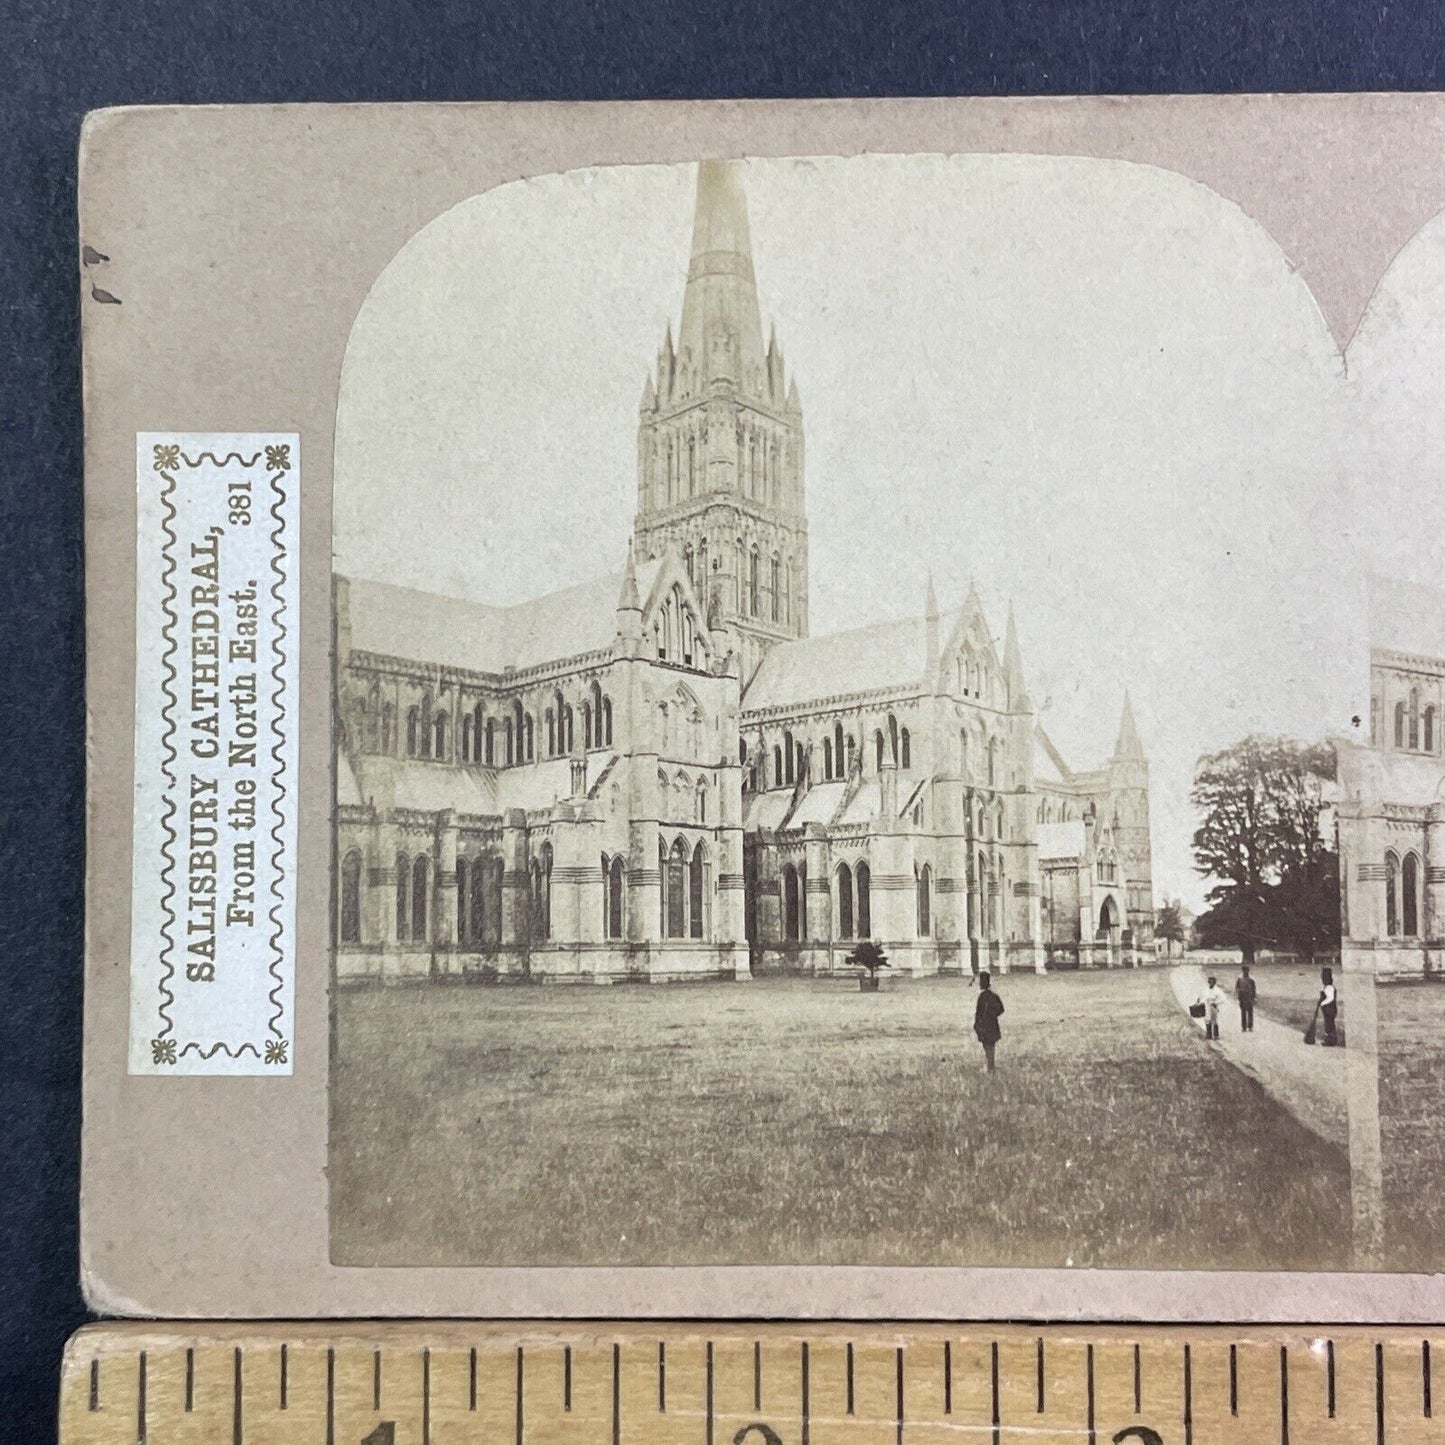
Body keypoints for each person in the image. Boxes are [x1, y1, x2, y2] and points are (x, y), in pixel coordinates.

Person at [973, 971, 1004, 1071]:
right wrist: (993, 1016)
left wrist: (977, 1023)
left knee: (987, 1046)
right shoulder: (994, 996)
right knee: (991, 1045)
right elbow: (1001, 1009)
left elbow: (978, 1012)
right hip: (992, 1024)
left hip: (984, 1025)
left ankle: (990, 1065)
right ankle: (991, 1064)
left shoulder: (982, 997)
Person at [1199, 974, 1228, 1040]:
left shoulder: (1217, 990)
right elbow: (1202, 997)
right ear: (1208, 982)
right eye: (1210, 981)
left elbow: (1223, 998)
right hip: (1206, 1006)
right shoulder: (1206, 990)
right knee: (1207, 1020)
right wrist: (1200, 1002)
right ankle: (1208, 1035)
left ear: (1214, 982)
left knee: (1214, 1021)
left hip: (1213, 1007)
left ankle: (1216, 1035)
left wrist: (1216, 1002)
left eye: (1212, 981)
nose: (1211, 983)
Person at [1319, 967, 1340, 1047]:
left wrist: (1322, 1003)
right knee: (1328, 1025)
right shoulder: (1326, 987)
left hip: (1330, 1010)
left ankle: (1331, 1040)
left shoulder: (1330, 988)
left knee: (1330, 1025)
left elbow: (1330, 998)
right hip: (1327, 1010)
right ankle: (1329, 1039)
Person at [1235, 964, 1257, 1033]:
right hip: (1242, 997)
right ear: (1242, 970)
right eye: (1244, 970)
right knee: (1243, 1012)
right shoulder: (1240, 978)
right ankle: (1244, 1027)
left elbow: (1254, 989)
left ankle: (1250, 1026)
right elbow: (1237, 987)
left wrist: (1254, 998)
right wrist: (1238, 996)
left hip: (1249, 997)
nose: (1245, 972)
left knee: (1250, 1012)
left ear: (1248, 970)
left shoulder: (1251, 979)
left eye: (1247, 970)